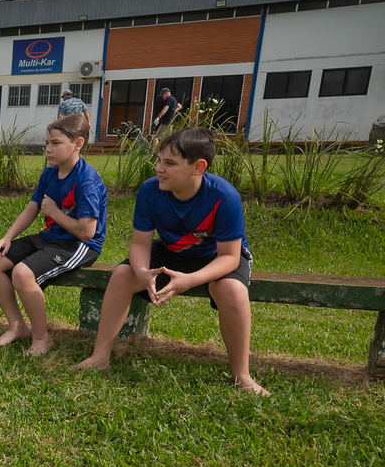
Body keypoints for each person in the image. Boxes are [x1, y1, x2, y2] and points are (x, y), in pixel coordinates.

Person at [74, 128, 267, 396]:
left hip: (215, 257)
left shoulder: (224, 196)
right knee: (122, 274)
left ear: (198, 167)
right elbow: (140, 244)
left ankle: (241, 375)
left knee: (231, 290)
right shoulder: (151, 190)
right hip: (170, 251)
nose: (159, 169)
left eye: (170, 163)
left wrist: (190, 280)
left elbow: (229, 257)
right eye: (159, 160)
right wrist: (142, 273)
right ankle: (99, 357)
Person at [0, 114, 107, 356]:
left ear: (78, 143)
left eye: (55, 143)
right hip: (51, 237)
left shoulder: (86, 179)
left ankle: (42, 338)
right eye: (46, 143)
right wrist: (6, 238)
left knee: (22, 273)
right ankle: (17, 326)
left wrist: (56, 213)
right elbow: (32, 209)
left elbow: (87, 231)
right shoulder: (50, 173)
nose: (48, 149)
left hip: (80, 244)